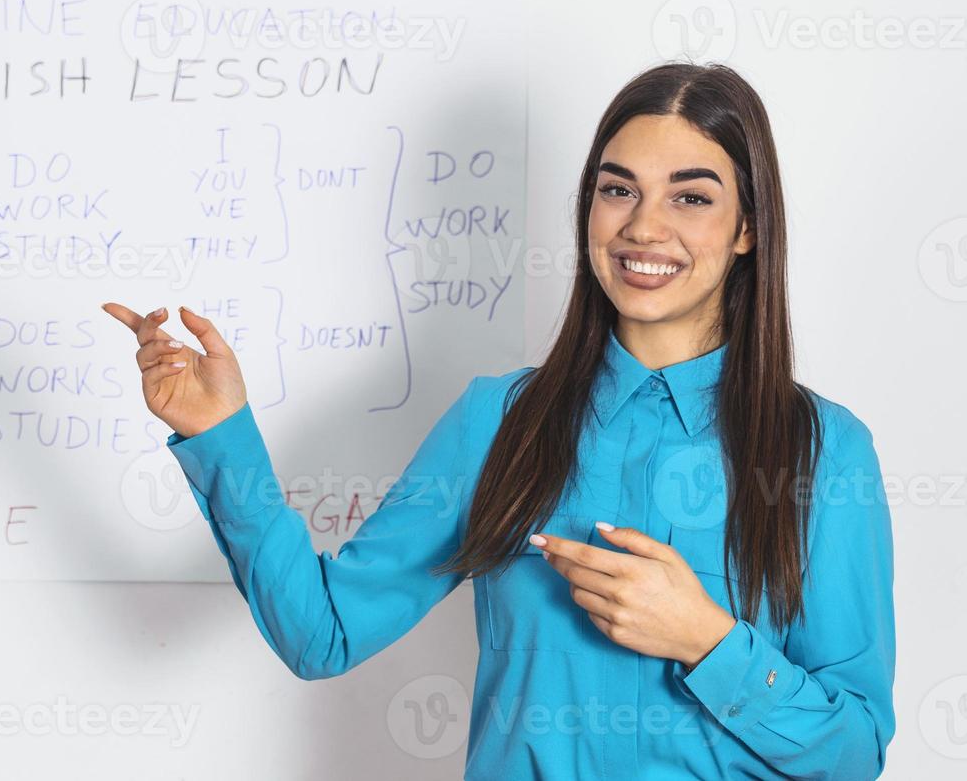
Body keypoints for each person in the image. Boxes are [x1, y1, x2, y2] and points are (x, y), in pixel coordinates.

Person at [102, 62, 895, 780]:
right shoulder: (499, 422)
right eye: (618, 190)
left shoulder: (824, 452)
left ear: (748, 227)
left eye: (690, 197)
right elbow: (324, 632)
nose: (644, 228)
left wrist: (707, 642)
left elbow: (854, 751)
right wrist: (221, 435)